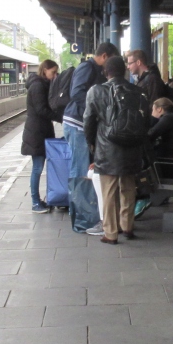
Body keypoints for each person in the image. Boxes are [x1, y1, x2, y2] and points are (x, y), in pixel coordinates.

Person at [83, 55, 149, 244]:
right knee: (128, 187)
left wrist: (92, 143)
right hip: (132, 147)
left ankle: (111, 233)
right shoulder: (139, 91)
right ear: (125, 70)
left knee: (109, 191)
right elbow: (146, 121)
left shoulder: (96, 91)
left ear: (106, 72)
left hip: (107, 147)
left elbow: (88, 121)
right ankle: (127, 226)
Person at [62, 42, 119, 232]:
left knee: (83, 169)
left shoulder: (94, 69)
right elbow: (76, 93)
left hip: (80, 124)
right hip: (77, 123)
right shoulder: (87, 68)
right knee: (80, 170)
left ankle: (82, 214)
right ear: (104, 56)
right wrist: (96, 106)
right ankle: (82, 219)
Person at [21, 59, 58, 213]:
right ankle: (35, 202)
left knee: (39, 167)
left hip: (40, 131)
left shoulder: (42, 84)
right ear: (45, 70)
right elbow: (41, 109)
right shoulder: (37, 86)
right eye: (53, 72)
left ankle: (39, 201)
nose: (55, 76)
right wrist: (60, 117)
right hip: (36, 132)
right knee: (37, 168)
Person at [149, 97, 173, 178]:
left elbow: (151, 134)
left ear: (159, 109)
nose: (152, 113)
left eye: (153, 110)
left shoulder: (168, 118)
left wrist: (152, 119)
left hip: (168, 162)